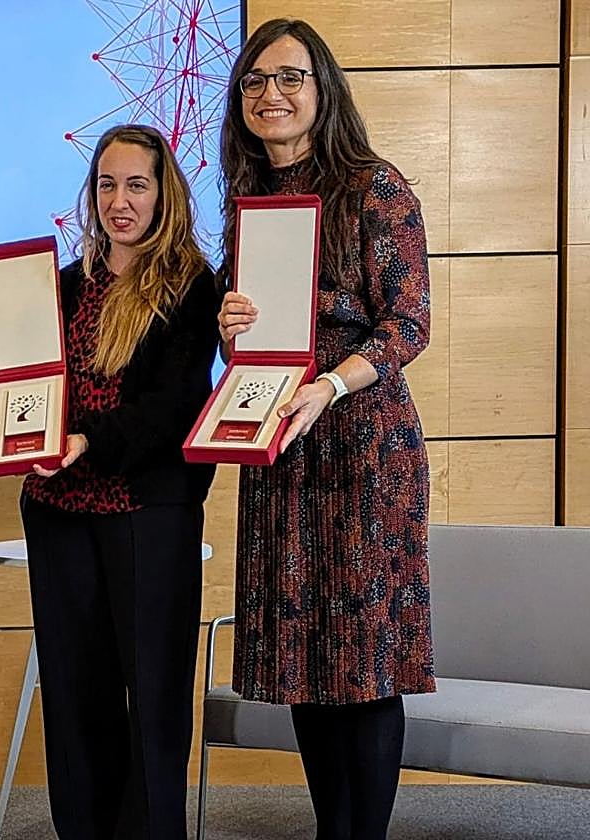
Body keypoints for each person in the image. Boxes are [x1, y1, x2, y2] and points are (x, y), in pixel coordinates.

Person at [216, 18, 436, 840]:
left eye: (289, 78)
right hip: (281, 447)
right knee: (306, 658)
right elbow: (259, 334)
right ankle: (329, 828)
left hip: (362, 444)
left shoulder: (375, 186)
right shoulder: (249, 204)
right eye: (254, 82)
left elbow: (410, 323)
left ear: (322, 89)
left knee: (364, 657)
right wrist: (231, 329)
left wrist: (330, 386)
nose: (271, 95)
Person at [0, 124, 219, 839]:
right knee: (76, 695)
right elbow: (35, 388)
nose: (121, 200)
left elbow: (174, 405)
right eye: (108, 184)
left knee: (151, 693)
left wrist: (85, 439)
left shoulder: (192, 286)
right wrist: (5, 389)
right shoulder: (59, 286)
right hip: (58, 511)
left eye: (137, 184)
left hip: (147, 513)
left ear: (163, 192)